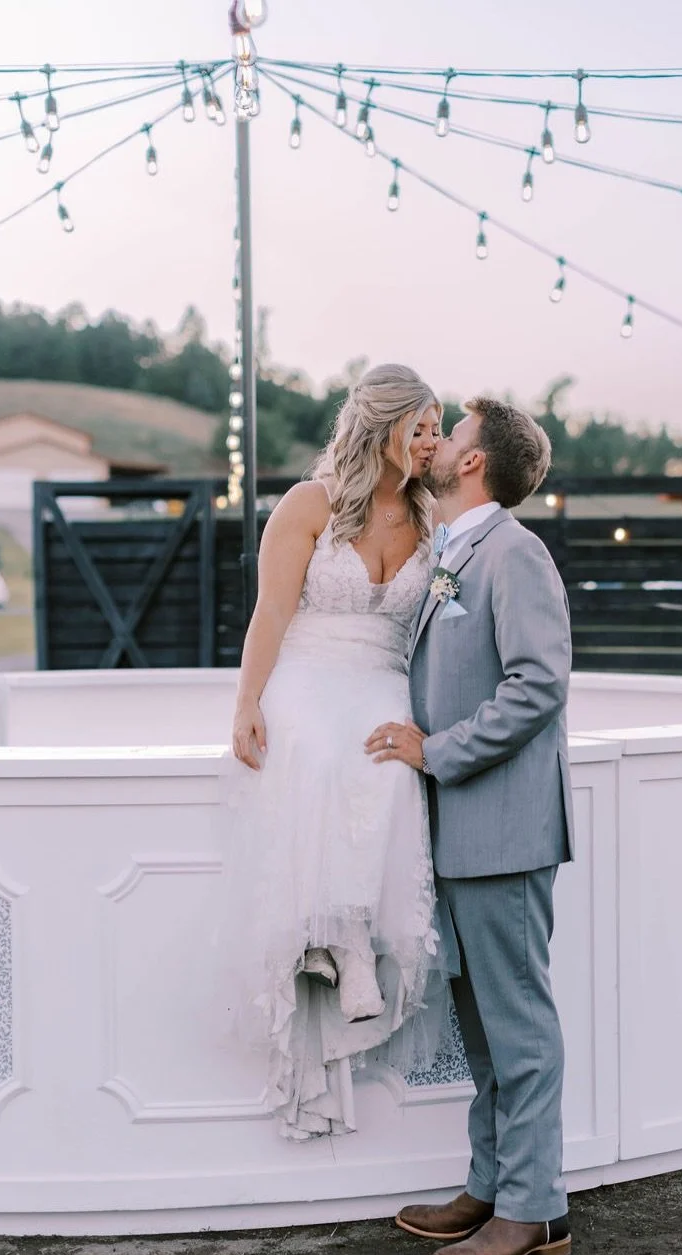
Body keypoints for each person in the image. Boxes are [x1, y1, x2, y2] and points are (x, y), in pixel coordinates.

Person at [365, 397, 575, 1255]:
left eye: (453, 435)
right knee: (481, 1027)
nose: (438, 444)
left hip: (503, 829)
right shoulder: (454, 550)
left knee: (517, 1025)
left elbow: (538, 685)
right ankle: (493, 1185)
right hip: (456, 832)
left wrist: (434, 751)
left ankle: (533, 1209)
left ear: (476, 462)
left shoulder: (516, 554)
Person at [219, 363, 444, 1141]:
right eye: (419, 426)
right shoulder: (309, 505)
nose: (430, 441)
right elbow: (272, 610)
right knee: (315, 744)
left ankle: (356, 938)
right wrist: (248, 699)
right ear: (380, 427)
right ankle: (332, 941)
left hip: (383, 676)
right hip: (310, 670)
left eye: (437, 427)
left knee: (385, 761)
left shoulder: (432, 517)